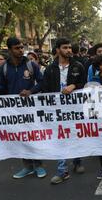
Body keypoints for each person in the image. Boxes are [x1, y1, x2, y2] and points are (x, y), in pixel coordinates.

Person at [0, 37, 46, 180]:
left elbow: (41, 83)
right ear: (9, 50)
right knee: (20, 138)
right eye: (17, 48)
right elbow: (2, 86)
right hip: (12, 111)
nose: (21, 50)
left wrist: (30, 91)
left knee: (33, 136)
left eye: (22, 47)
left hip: (29, 108)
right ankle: (27, 166)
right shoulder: (3, 68)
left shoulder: (31, 65)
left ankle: (38, 165)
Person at [37, 37, 86, 184]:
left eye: (70, 47)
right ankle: (62, 170)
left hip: (74, 109)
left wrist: (74, 86)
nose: (69, 50)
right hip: (57, 110)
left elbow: (84, 83)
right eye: (65, 47)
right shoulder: (50, 69)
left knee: (75, 135)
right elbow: (45, 89)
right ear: (58, 50)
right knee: (60, 138)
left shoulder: (78, 66)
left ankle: (77, 161)